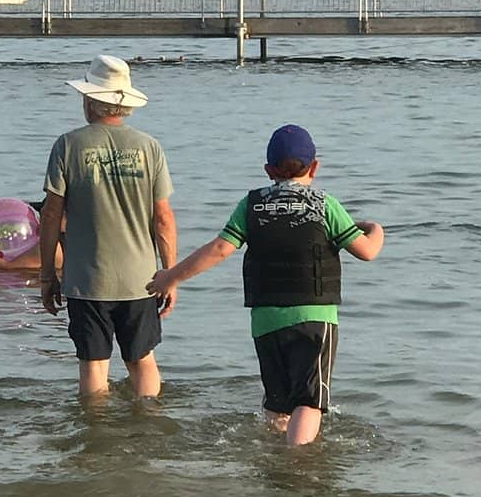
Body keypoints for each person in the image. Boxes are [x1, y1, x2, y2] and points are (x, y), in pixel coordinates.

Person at [147, 125, 383, 447]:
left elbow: (220, 249)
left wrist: (171, 276)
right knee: (309, 401)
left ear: (268, 170)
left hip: (266, 319)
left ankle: (273, 451)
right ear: (314, 167)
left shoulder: (251, 205)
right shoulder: (325, 205)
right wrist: (375, 228)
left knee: (278, 401)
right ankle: (296, 461)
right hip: (314, 318)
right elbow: (367, 251)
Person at [39, 54, 177, 398]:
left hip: (87, 281)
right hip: (140, 279)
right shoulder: (150, 147)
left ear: (89, 100)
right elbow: (163, 219)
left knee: (93, 365)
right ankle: (148, 420)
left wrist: (47, 276)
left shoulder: (68, 145)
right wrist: (170, 274)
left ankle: (95, 425)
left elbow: (51, 216)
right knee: (142, 361)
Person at [0, 200, 56, 273]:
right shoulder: (58, 242)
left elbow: (5, 268)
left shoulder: (50, 247)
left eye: (44, 216)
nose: (38, 221)